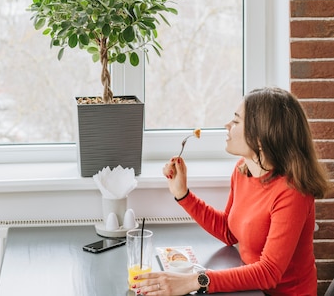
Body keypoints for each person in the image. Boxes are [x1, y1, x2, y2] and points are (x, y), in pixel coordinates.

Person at [131, 87, 330, 295]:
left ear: (261, 137)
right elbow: (228, 231)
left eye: (235, 121)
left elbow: (269, 273)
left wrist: (195, 280)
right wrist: (183, 194)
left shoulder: (293, 192)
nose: (227, 126)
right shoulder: (243, 170)